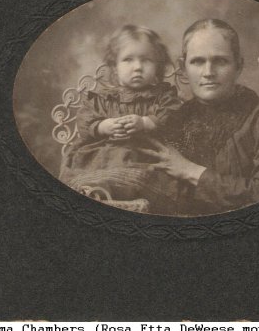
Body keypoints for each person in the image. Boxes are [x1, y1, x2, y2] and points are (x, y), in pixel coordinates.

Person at [139, 19, 259, 216]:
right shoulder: (172, 120)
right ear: (183, 68)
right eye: (197, 61)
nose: (208, 72)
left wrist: (190, 171)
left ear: (239, 66)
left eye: (220, 61)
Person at [59, 25, 182, 206]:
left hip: (143, 156)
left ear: (158, 67)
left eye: (146, 60)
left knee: (144, 175)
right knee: (91, 174)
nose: (137, 67)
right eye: (128, 60)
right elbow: (84, 121)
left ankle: (129, 199)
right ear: (115, 67)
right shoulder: (102, 97)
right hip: (104, 157)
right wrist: (103, 126)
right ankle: (99, 193)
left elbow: (175, 117)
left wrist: (145, 122)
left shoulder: (163, 96)